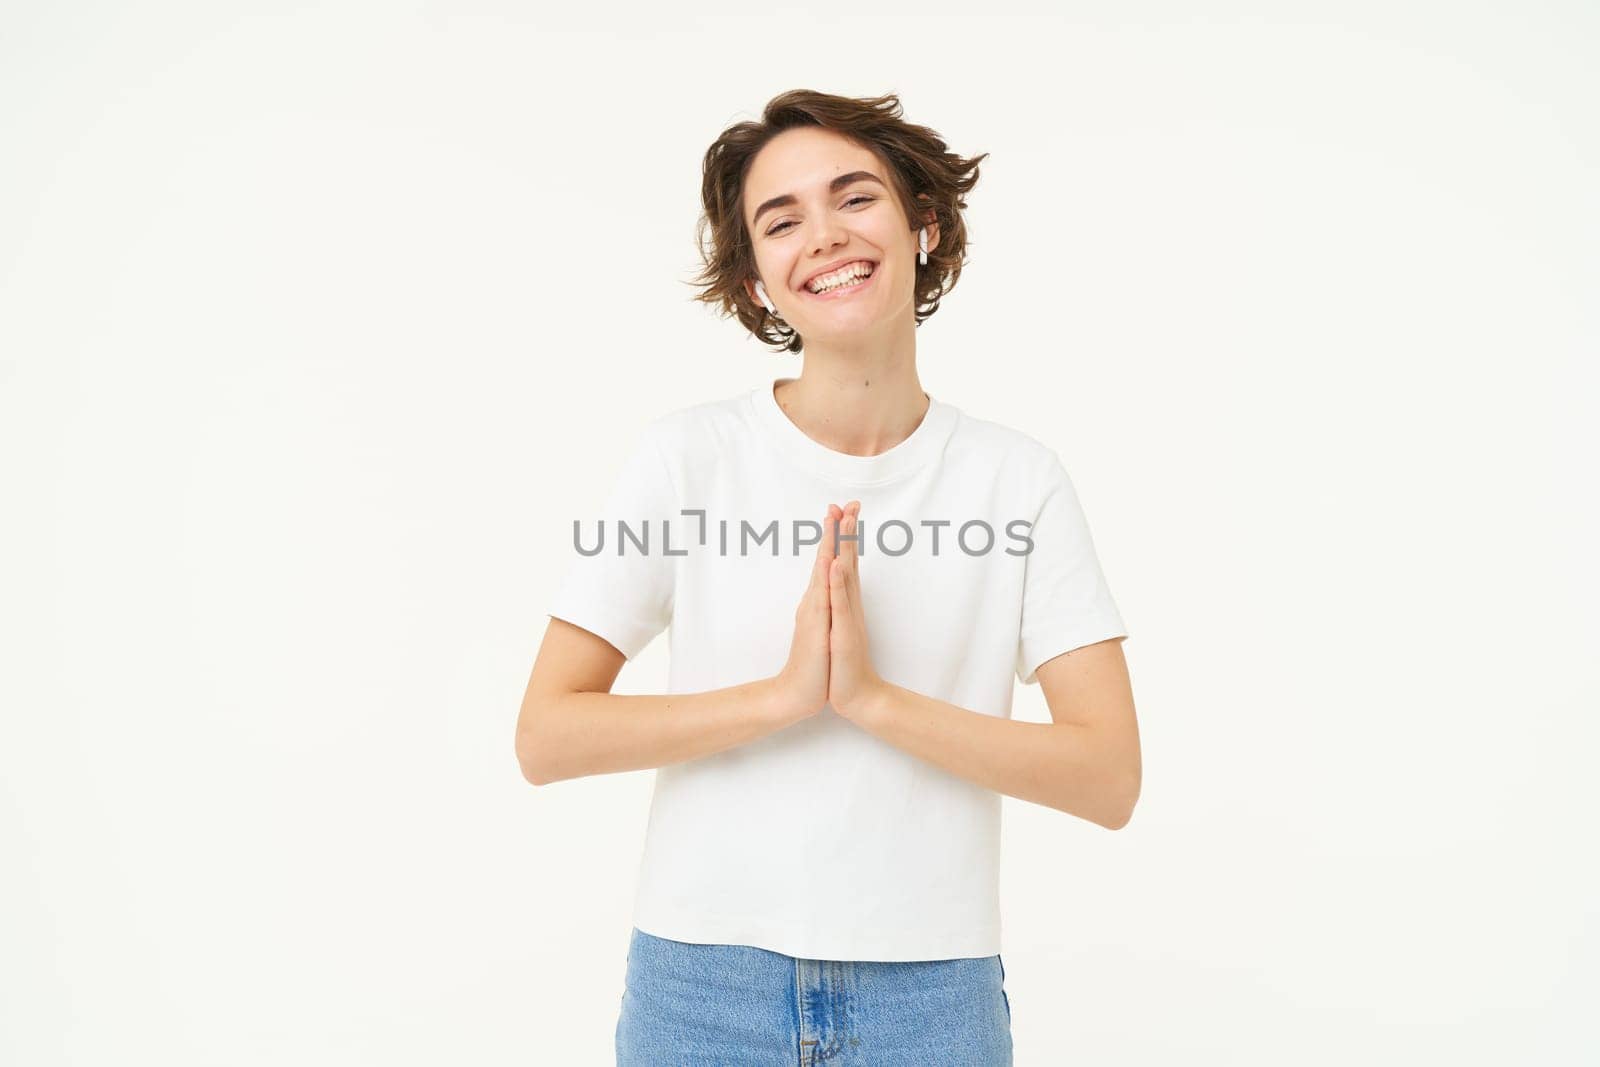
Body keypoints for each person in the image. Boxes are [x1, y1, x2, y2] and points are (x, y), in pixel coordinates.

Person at [516, 89, 1140, 1066]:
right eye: (781, 219)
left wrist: (871, 701)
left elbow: (1108, 775)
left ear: (923, 225)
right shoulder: (687, 458)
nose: (823, 236)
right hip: (700, 987)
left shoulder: (1017, 478)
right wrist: (781, 698)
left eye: (854, 198)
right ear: (757, 282)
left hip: (932, 996)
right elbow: (546, 734)